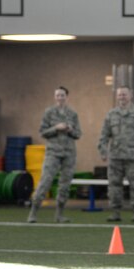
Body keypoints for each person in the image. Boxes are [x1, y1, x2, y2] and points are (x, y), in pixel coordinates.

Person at [98, 86, 134, 222]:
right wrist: (103, 151)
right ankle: (115, 213)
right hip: (115, 158)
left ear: (131, 96)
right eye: (119, 95)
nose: (122, 97)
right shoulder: (111, 115)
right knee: (114, 186)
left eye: (124, 94)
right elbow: (104, 135)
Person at [27, 86, 82, 223]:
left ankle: (59, 215)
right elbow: (42, 132)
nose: (60, 98)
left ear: (67, 97)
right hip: (53, 152)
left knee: (65, 184)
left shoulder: (73, 114)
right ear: (54, 97)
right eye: (57, 95)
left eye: (62, 95)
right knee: (45, 182)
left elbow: (78, 134)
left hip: (69, 153)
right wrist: (56, 128)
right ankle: (33, 213)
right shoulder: (49, 112)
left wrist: (70, 130)